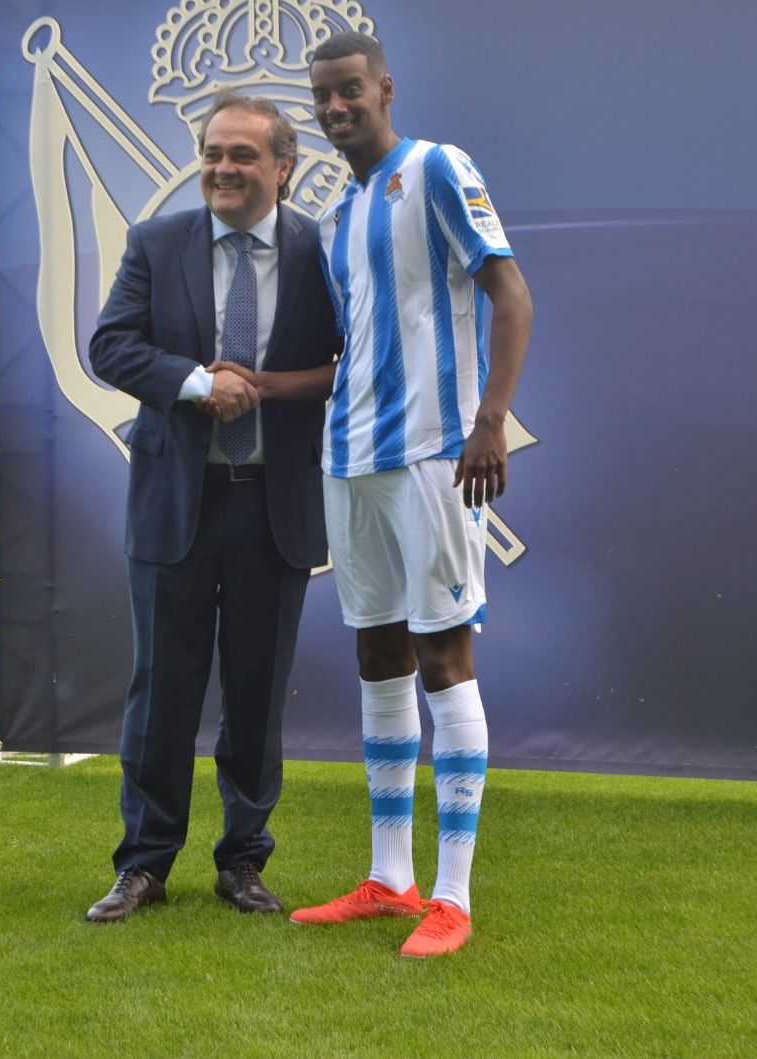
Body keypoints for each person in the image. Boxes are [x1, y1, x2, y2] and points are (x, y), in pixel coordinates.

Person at [286, 32, 535, 958]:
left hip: (436, 453)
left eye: (352, 90)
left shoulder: (435, 168)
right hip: (351, 461)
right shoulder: (341, 212)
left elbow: (511, 295)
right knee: (379, 657)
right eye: (324, 96)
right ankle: (389, 877)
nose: (337, 107)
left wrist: (491, 419)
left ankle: (453, 894)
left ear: (385, 89)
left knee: (443, 655)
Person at [84, 91, 340, 923]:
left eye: (241, 156)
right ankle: (144, 864)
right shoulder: (157, 243)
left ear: (283, 168)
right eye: (212, 154)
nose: (222, 169)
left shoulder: (320, 256)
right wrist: (196, 384)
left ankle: (243, 862)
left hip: (275, 506)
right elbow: (111, 345)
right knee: (162, 692)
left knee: (257, 696)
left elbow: (352, 358)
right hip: (175, 507)